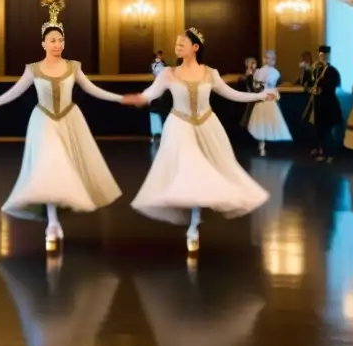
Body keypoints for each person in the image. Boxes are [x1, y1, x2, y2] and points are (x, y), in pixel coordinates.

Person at [0, 0, 124, 252]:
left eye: (60, 40)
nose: (57, 44)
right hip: (44, 120)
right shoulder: (33, 69)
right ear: (43, 43)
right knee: (50, 164)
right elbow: (11, 94)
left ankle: (56, 215)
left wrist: (121, 99)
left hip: (70, 120)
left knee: (65, 167)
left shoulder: (74, 66)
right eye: (52, 40)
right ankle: (51, 221)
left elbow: (93, 90)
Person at [123, 28, 275, 253]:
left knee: (205, 171)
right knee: (190, 168)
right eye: (177, 42)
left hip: (207, 125)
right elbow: (150, 93)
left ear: (195, 47)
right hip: (179, 125)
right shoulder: (168, 73)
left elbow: (232, 94)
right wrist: (136, 98)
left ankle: (195, 221)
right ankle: (193, 224)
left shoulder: (210, 73)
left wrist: (259, 96)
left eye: (183, 42)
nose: (178, 45)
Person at [246, 50, 291, 157]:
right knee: (262, 121)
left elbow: (269, 84)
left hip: (268, 99)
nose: (270, 60)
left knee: (267, 122)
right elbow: (258, 85)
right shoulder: (263, 72)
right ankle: (262, 146)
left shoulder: (272, 72)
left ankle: (265, 146)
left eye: (272, 58)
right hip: (263, 99)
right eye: (268, 57)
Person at [302, 45, 343, 163]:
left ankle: (331, 154)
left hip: (328, 105)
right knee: (319, 130)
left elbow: (332, 86)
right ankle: (323, 152)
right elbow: (307, 83)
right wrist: (310, 88)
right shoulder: (315, 70)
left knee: (326, 130)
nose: (323, 57)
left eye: (325, 55)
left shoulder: (332, 71)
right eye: (321, 55)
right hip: (317, 105)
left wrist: (321, 89)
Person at [149, 51, 168, 143]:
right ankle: (156, 134)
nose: (160, 56)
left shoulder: (163, 64)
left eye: (161, 55)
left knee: (162, 111)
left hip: (163, 90)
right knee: (155, 111)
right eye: (159, 55)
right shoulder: (156, 65)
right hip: (157, 90)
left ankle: (162, 134)